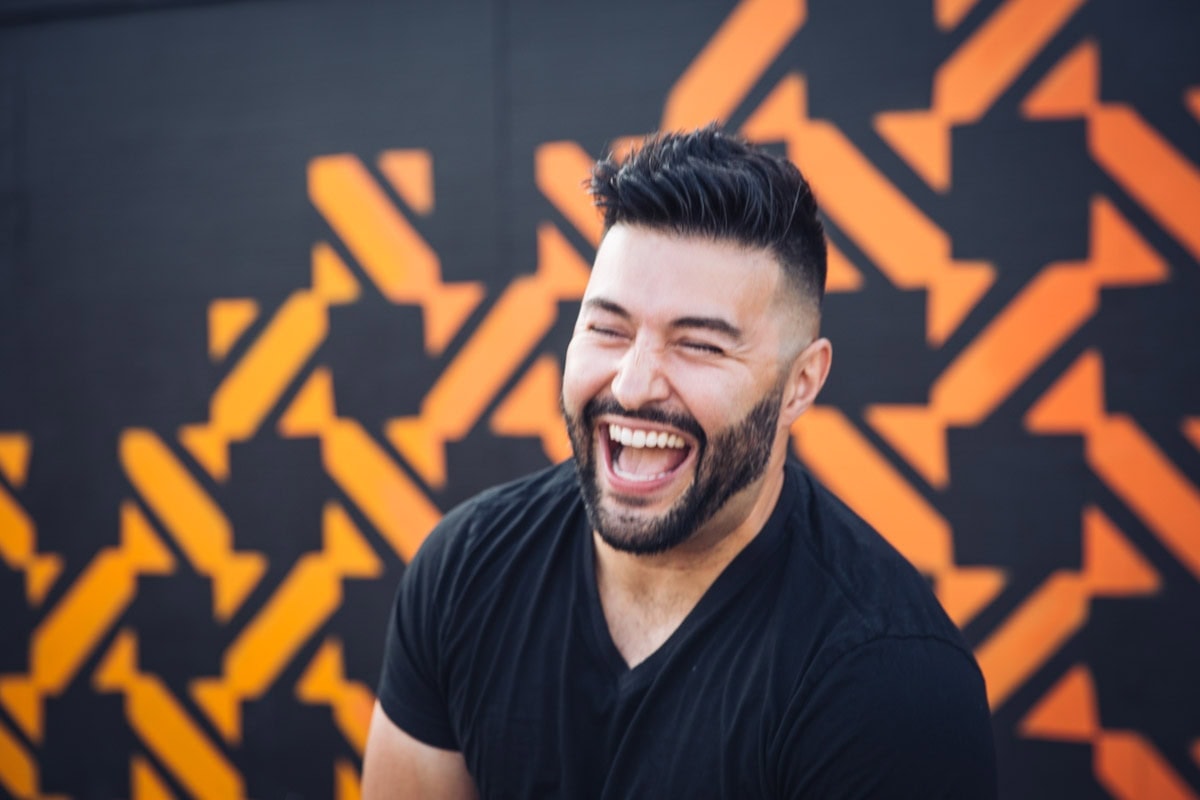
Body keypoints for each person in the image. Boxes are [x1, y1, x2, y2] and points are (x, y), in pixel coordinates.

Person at [361, 125, 997, 798]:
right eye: (607, 329)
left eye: (699, 345)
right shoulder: (466, 570)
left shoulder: (887, 680)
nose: (633, 386)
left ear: (801, 385)